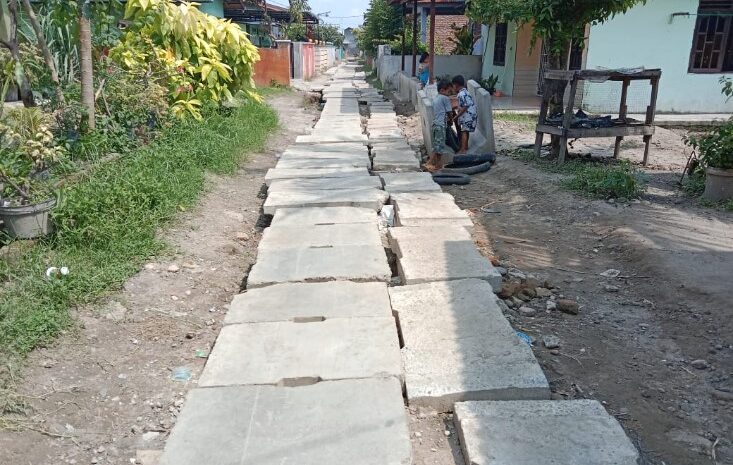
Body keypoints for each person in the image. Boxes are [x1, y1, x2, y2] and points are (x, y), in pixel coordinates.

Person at [425, 80, 453, 172]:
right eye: (449, 91)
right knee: (439, 147)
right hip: (440, 125)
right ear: (442, 90)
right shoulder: (445, 98)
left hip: (435, 124)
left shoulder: (435, 98)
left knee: (437, 145)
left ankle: (438, 164)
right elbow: (449, 112)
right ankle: (429, 163)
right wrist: (451, 120)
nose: (449, 94)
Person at [451, 75, 478, 154]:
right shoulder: (466, 92)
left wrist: (456, 116)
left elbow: (465, 106)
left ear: (456, 85)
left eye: (453, 85)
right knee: (466, 131)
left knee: (463, 131)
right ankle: (465, 146)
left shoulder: (461, 94)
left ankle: (463, 150)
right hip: (472, 115)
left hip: (468, 115)